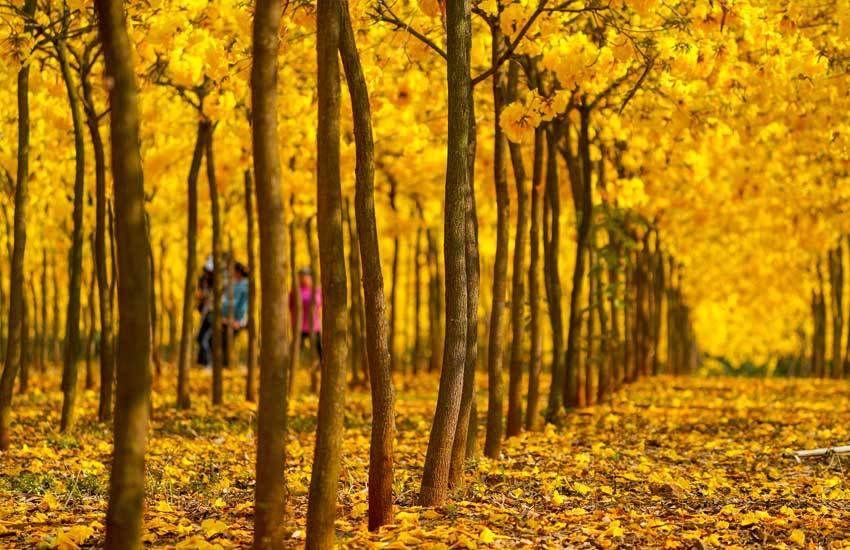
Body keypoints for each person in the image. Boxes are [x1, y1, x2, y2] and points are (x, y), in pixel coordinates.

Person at [289, 267, 322, 360]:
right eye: (301, 276)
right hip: (299, 326)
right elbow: (290, 306)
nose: (303, 278)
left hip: (314, 326)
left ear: (310, 277)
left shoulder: (317, 290)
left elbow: (321, 305)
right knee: (295, 350)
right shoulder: (295, 290)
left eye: (305, 276)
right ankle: (290, 369)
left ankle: (319, 368)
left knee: (320, 350)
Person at [221, 262, 249, 366]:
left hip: (237, 320)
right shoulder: (234, 284)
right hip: (228, 319)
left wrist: (236, 321)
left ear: (238, 272)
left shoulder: (244, 286)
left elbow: (242, 306)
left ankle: (228, 365)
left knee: (226, 342)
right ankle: (226, 364)